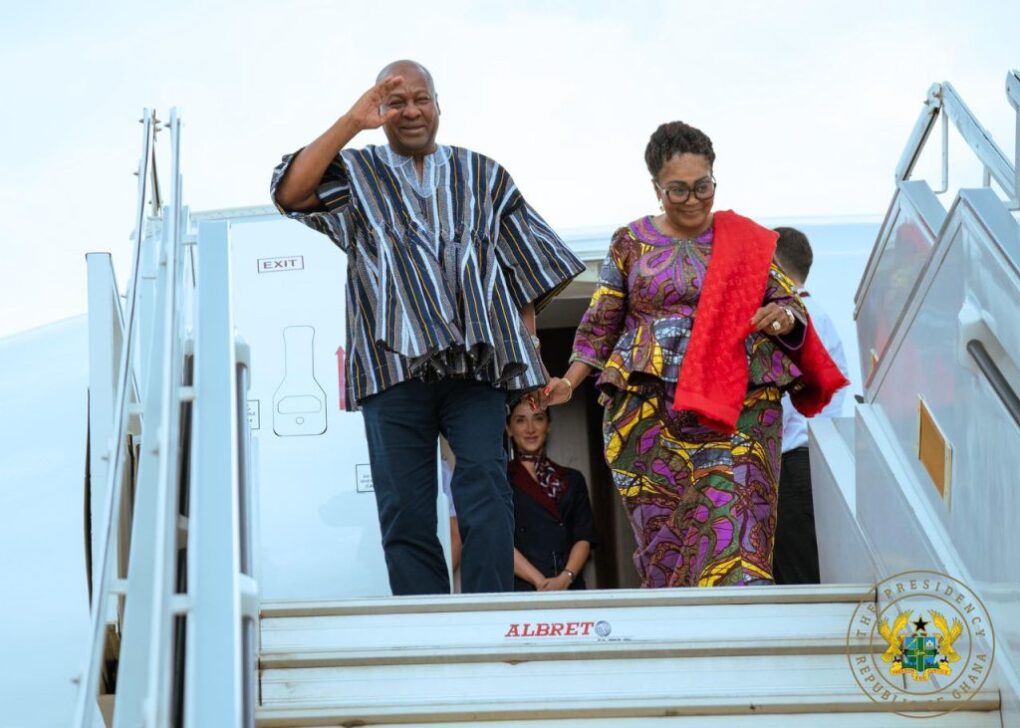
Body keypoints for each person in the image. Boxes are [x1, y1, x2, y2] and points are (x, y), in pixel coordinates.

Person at [270, 60, 584, 596]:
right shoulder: (358, 172)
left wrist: (530, 355)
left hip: (476, 367)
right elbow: (291, 193)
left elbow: (523, 273)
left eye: (421, 99)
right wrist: (352, 121)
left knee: (487, 492)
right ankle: (425, 622)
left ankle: (490, 615)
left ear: (439, 106)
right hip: (391, 367)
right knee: (406, 507)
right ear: (380, 111)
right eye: (396, 103)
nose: (411, 111)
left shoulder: (483, 174)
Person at [543, 121, 847, 588]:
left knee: (733, 530)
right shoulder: (630, 242)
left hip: (738, 410)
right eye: (678, 190)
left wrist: (783, 318)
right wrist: (569, 381)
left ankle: (742, 625)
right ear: (656, 188)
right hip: (649, 416)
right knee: (668, 544)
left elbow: (787, 303)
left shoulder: (745, 240)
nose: (693, 200)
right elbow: (602, 322)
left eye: (703, 186)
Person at [771, 227, 849, 585]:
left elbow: (783, 400)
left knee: (797, 580)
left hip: (792, 462)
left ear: (772, 265)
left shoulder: (794, 321)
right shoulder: (817, 316)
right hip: (811, 461)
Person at [506, 401, 596, 591]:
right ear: (509, 429)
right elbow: (499, 541)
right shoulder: (501, 480)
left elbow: (584, 536)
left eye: (538, 419)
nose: (530, 429)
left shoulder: (573, 479)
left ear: (548, 426)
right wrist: (540, 582)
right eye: (520, 420)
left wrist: (565, 578)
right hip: (524, 590)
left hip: (569, 588)